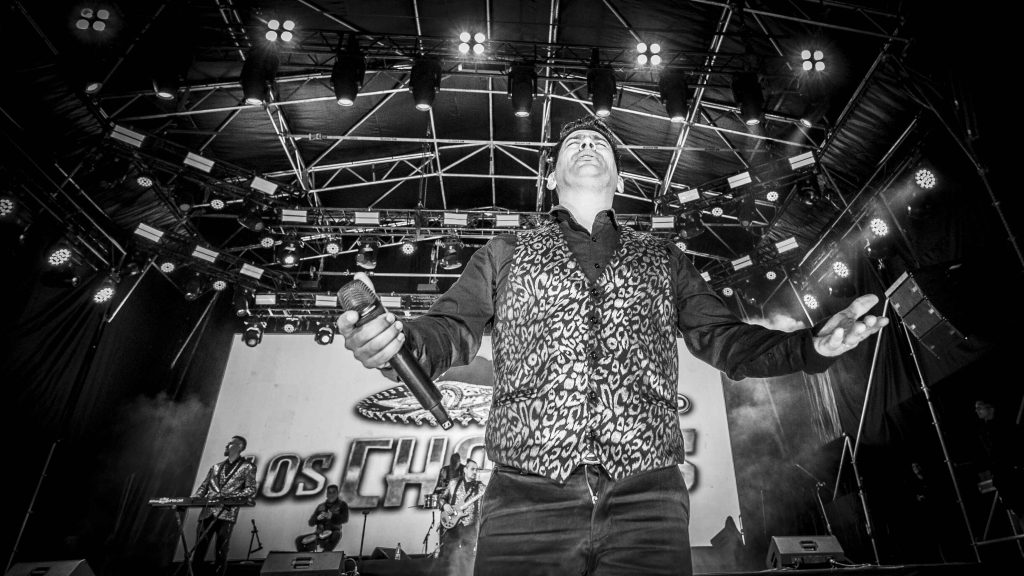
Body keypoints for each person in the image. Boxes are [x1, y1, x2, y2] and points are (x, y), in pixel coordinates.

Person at [337, 116, 888, 576]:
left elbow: (724, 339)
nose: (586, 144)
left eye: (598, 142)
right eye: (573, 143)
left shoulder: (663, 257)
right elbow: (450, 328)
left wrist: (810, 347)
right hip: (525, 498)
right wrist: (400, 345)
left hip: (648, 497)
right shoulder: (504, 252)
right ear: (550, 178)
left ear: (619, 179)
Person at [190, 435, 257, 576]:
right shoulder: (215, 467)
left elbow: (250, 489)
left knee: (221, 550)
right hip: (208, 511)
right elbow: (204, 487)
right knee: (199, 548)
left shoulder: (248, 467)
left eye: (230, 443)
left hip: (227, 513)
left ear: (239, 447)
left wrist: (229, 496)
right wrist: (196, 497)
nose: (227, 445)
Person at [974, 399, 1023, 528]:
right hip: (1001, 475)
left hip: (1012, 472)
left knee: (1020, 507)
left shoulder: (1004, 426)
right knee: (1016, 510)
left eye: (980, 407)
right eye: (976, 408)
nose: (977, 411)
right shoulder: (983, 431)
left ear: (990, 408)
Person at [439, 459, 485, 574]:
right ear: (465, 469)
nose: (475, 472)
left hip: (470, 527)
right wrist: (445, 505)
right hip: (452, 526)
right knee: (448, 555)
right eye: (472, 469)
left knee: (468, 557)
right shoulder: (453, 483)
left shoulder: (481, 487)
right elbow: (441, 498)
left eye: (476, 470)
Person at [295, 484, 349, 552]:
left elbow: (345, 519)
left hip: (333, 532)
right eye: (329, 492)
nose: (331, 495)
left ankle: (324, 554)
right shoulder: (320, 506)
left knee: (337, 534)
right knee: (299, 540)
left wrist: (332, 516)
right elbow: (311, 523)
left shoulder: (342, 505)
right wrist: (317, 519)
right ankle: (305, 556)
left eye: (333, 492)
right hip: (319, 533)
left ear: (337, 494)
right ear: (327, 494)